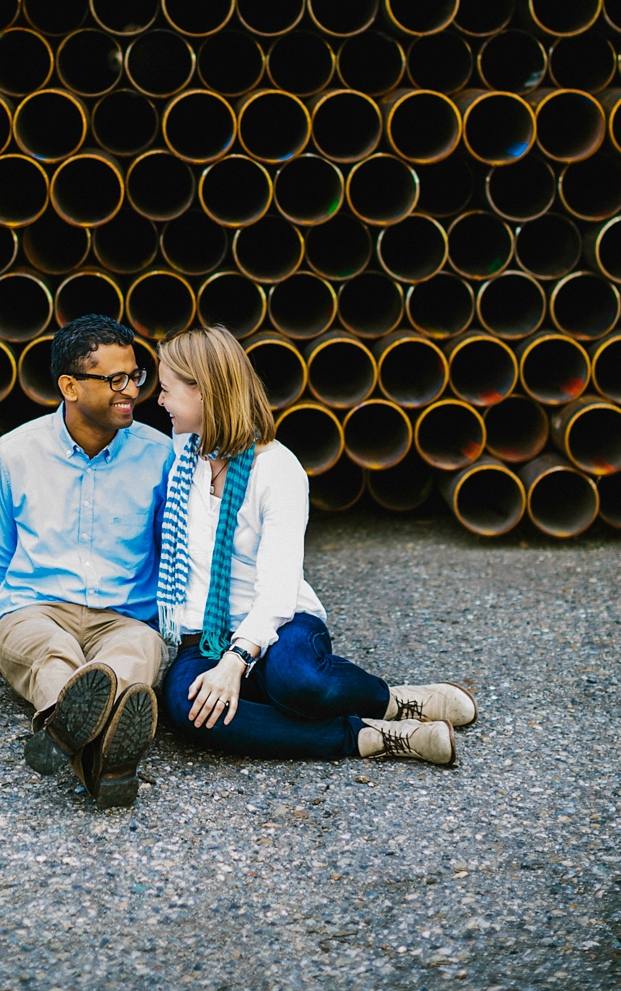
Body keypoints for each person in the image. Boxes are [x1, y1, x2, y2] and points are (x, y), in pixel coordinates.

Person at [157, 325, 477, 767]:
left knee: (300, 683)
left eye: (166, 389)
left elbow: (277, 590)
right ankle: (369, 735)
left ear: (205, 392)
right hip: (204, 638)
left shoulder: (277, 470)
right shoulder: (180, 459)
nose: (157, 401)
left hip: (279, 624)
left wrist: (235, 662)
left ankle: (391, 701)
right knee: (188, 710)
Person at [0, 315, 174, 808]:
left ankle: (73, 740)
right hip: (34, 611)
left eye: (136, 376)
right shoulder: (14, 454)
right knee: (51, 653)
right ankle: (106, 759)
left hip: (123, 617)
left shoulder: (161, 456)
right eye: (115, 380)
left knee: (140, 651)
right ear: (70, 385)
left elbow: (172, 554)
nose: (132, 391)